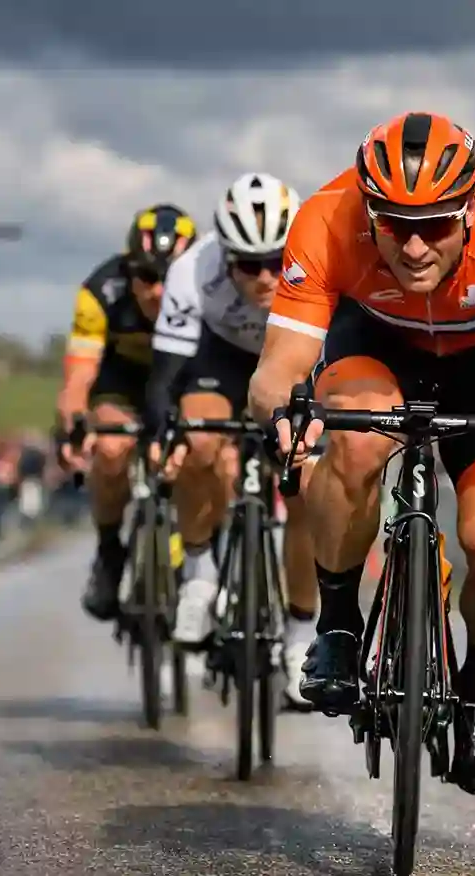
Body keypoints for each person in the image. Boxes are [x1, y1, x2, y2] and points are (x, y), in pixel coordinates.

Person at [248, 111, 475, 795]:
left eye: (437, 225)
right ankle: (338, 626)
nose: (414, 247)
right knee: (353, 440)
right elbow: (275, 370)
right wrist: (284, 417)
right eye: (394, 225)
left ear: (471, 208)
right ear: (368, 211)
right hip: (375, 343)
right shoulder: (326, 218)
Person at [142, 173, 320, 708]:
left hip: (293, 354)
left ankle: (299, 638)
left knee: (309, 485)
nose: (265, 277)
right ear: (224, 255)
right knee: (197, 440)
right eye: (249, 265)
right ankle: (198, 573)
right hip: (219, 359)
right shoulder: (191, 271)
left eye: (275, 261)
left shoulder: (319, 265)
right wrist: (161, 434)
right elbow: (165, 376)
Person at [58, 204, 198, 620]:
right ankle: (108, 551)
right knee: (112, 448)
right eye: (146, 277)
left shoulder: (208, 287)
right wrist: (73, 426)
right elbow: (79, 376)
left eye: (168, 277)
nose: (156, 291)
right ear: (127, 269)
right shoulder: (101, 292)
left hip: (181, 381)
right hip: (121, 383)